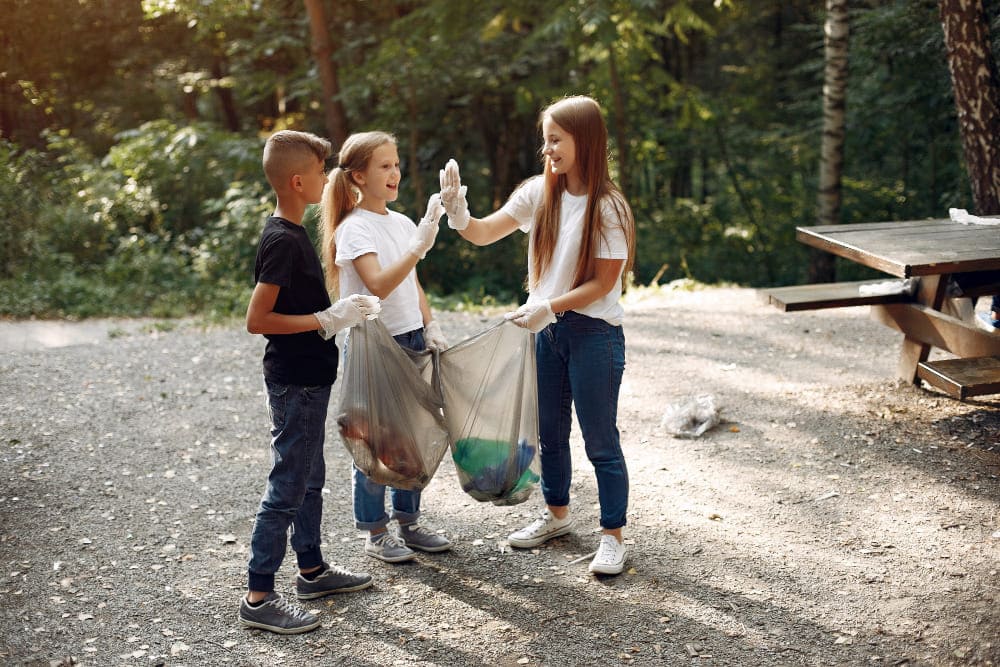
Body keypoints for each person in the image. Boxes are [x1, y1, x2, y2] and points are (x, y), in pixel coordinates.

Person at [439, 95, 636, 575]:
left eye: (556, 140)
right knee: (550, 435)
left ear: (584, 141)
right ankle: (556, 516)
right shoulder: (538, 193)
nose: (547, 149)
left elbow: (604, 284)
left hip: (594, 334)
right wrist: (460, 214)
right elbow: (484, 233)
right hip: (547, 334)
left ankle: (612, 536)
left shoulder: (608, 206)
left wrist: (548, 304)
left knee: (600, 440)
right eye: (544, 140)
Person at [239, 130, 381, 635]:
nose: (328, 178)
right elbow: (258, 319)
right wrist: (325, 319)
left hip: (312, 380)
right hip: (294, 382)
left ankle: (312, 570)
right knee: (288, 484)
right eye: (322, 171)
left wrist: (337, 317)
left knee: (311, 477)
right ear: (299, 182)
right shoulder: (281, 239)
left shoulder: (296, 232)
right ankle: (258, 595)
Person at [319, 130, 453, 563]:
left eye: (396, 163)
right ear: (358, 176)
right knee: (377, 436)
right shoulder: (354, 228)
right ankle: (375, 532)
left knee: (415, 434)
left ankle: (409, 523)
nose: (395, 172)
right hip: (375, 344)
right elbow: (376, 286)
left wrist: (430, 325)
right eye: (384, 166)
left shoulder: (400, 222)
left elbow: (413, 284)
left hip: (412, 338)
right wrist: (418, 248)